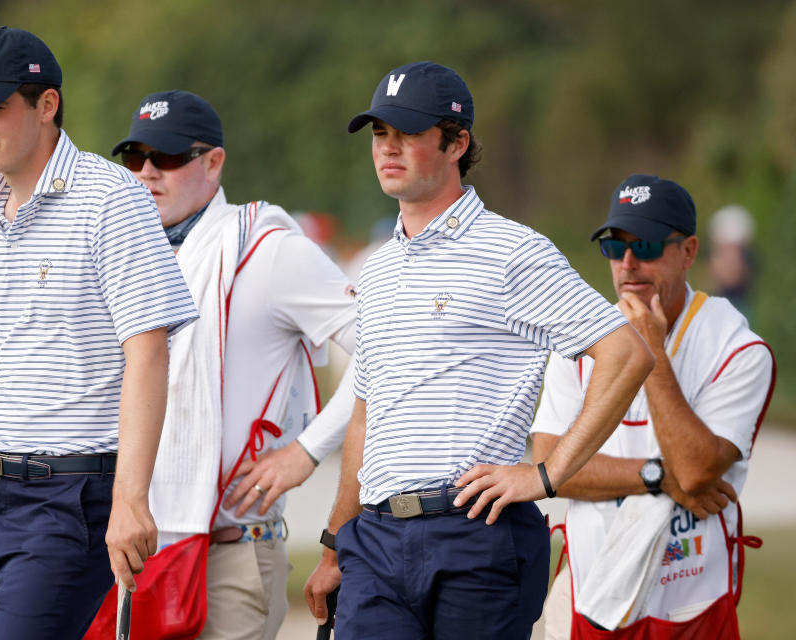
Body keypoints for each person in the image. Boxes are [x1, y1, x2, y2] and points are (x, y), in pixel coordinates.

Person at [303, 61, 654, 640]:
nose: (388, 149)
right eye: (379, 134)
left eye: (408, 133)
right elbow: (368, 414)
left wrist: (547, 474)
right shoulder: (378, 267)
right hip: (377, 541)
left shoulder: (513, 251)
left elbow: (627, 353)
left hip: (476, 538)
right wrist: (334, 543)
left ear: (456, 142)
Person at [0, 27, 197, 638]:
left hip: (64, 500)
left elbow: (148, 351)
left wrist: (130, 498)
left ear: (46, 105)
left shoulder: (111, 198)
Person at [110, 90, 357, 639]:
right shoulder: (127, 257)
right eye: (135, 158)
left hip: (231, 556)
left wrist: (308, 450)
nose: (148, 172)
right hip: (138, 551)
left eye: (167, 157)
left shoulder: (266, 250)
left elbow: (386, 349)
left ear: (213, 162)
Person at [530, 175, 775, 638]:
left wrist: (654, 352)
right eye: (613, 246)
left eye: (645, 245)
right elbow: (549, 466)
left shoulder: (737, 348)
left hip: (692, 603)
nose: (627, 263)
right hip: (595, 596)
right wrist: (657, 476)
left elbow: (697, 470)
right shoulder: (578, 344)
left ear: (688, 251)